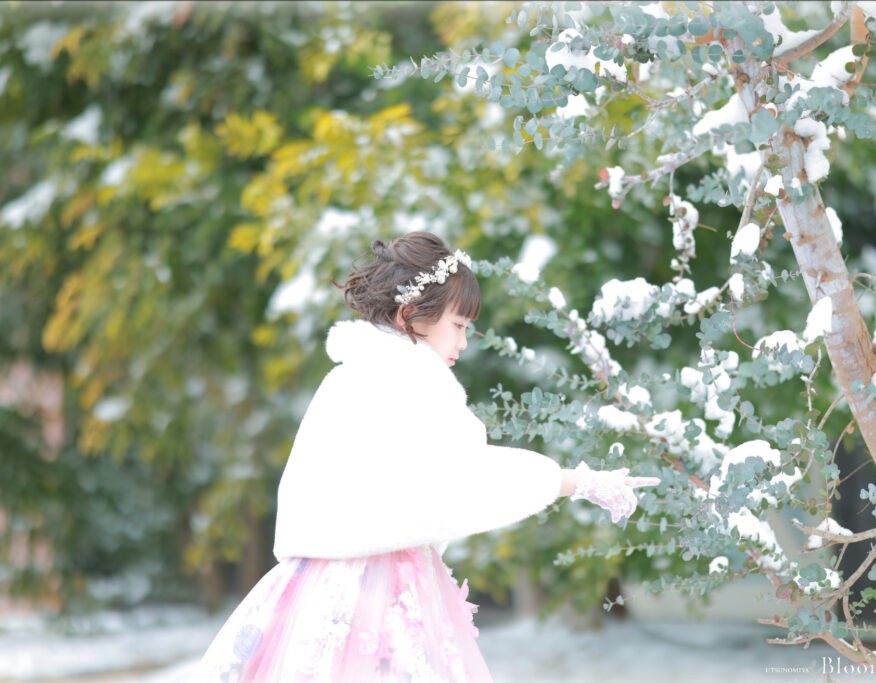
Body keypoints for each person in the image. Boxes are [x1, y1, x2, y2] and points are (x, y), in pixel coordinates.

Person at [190, 231, 660, 682]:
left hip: (314, 592)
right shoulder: (413, 381)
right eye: (458, 325)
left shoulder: (347, 378)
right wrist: (576, 481)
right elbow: (468, 476)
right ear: (411, 313)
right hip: (380, 594)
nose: (463, 342)